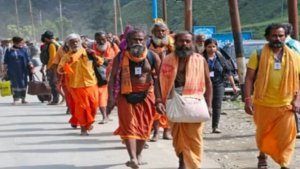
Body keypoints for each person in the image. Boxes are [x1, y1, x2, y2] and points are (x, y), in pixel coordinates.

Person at [244, 23, 300, 169]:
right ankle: (262, 155)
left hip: (286, 104)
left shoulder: (295, 56)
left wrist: (297, 99)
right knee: (263, 134)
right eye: (274, 35)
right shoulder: (258, 54)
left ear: (285, 37)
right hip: (263, 103)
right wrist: (247, 99)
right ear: (268, 37)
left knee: (287, 136)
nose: (277, 38)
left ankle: (284, 163)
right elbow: (249, 78)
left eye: (281, 35)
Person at [156, 31, 212, 169]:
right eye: (181, 41)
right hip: (173, 99)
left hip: (195, 101)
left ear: (192, 43)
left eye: (188, 41)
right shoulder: (167, 59)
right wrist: (158, 100)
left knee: (195, 138)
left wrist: (209, 105)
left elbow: (208, 83)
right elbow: (158, 81)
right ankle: (182, 163)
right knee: (178, 137)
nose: (184, 44)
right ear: (175, 43)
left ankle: (193, 165)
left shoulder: (200, 60)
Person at [107, 28, 161, 168]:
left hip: (147, 95)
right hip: (125, 95)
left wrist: (160, 100)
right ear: (128, 41)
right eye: (134, 40)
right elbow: (112, 78)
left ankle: (138, 154)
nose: (137, 42)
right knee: (129, 125)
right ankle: (132, 158)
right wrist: (111, 98)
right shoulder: (120, 57)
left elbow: (160, 79)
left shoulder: (152, 56)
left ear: (145, 41)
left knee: (145, 126)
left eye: (140, 40)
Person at [57, 33, 104, 135]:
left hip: (91, 83)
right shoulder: (67, 56)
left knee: (93, 105)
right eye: (72, 42)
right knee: (82, 107)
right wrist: (68, 63)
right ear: (68, 44)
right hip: (76, 85)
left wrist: (95, 56)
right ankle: (83, 128)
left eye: (77, 41)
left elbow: (100, 62)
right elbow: (60, 70)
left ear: (80, 42)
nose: (75, 43)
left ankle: (89, 122)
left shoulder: (88, 52)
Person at [202, 38, 238, 133]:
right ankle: (200, 126)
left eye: (214, 46)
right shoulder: (201, 58)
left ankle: (215, 127)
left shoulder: (221, 58)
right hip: (203, 85)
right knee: (203, 105)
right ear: (205, 47)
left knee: (217, 105)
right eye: (209, 46)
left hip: (218, 84)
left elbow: (228, 72)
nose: (212, 49)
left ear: (216, 47)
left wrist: (233, 85)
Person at [148, 19, 174, 141]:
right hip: (153, 79)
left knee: (169, 105)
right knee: (156, 105)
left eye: (163, 31)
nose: (161, 33)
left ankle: (167, 131)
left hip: (169, 79)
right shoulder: (148, 45)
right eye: (158, 31)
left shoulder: (172, 46)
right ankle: (156, 132)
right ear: (153, 32)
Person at [91, 31, 120, 124]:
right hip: (98, 76)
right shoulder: (92, 47)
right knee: (101, 95)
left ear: (106, 39)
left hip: (112, 74)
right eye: (98, 39)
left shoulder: (112, 46)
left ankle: (107, 115)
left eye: (103, 39)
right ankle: (105, 116)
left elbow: (119, 56)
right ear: (95, 40)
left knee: (111, 97)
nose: (101, 41)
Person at [3, 36, 34, 104]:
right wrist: (4, 70)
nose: (22, 44)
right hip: (12, 71)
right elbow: (5, 61)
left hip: (23, 70)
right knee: (14, 84)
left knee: (23, 84)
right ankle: (15, 99)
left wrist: (31, 65)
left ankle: (23, 99)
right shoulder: (8, 50)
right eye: (21, 42)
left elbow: (28, 59)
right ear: (16, 42)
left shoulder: (24, 49)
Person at [283, 23, 300, 139]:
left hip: (292, 78)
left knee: (293, 102)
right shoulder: (296, 43)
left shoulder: (288, 45)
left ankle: (296, 129)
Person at [40, 31, 61, 105]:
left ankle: (55, 100)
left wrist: (49, 67)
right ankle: (57, 99)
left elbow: (53, 58)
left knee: (53, 84)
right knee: (53, 84)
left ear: (46, 38)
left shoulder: (51, 45)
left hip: (52, 68)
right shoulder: (50, 44)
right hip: (51, 67)